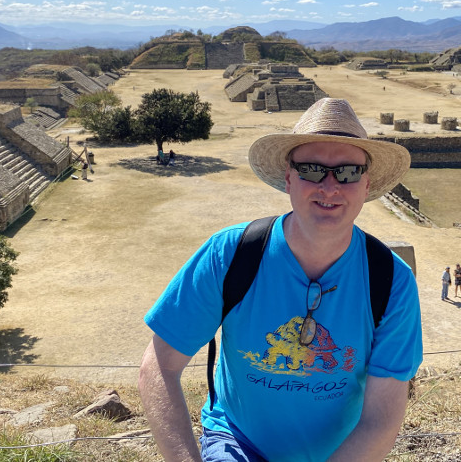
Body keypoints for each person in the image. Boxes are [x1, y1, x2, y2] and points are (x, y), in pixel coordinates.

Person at [138, 98, 423, 462]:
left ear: (366, 185)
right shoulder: (232, 255)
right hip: (239, 443)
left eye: (349, 172)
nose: (330, 186)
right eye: (312, 169)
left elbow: (380, 420)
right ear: (288, 178)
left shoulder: (391, 281)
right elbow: (159, 366)